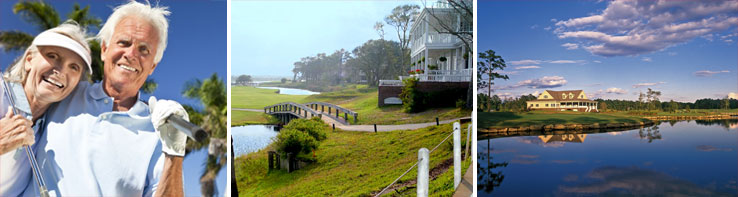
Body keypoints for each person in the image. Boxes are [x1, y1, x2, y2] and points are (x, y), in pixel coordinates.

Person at [19, 1, 188, 196]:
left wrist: (174, 152)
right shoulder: (65, 93)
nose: (131, 55)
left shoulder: (159, 130)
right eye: (123, 43)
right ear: (104, 50)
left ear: (152, 66)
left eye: (144, 50)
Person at [0, 22, 92, 196]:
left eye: (74, 67)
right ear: (29, 60)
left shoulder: (51, 130)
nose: (60, 70)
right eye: (53, 55)